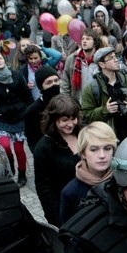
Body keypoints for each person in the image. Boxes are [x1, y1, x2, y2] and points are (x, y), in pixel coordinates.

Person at [0, 51, 33, 187]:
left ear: (4, 61)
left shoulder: (16, 75)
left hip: (19, 116)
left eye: (0, 58)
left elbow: (27, 95)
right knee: (5, 146)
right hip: (2, 119)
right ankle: (10, 166)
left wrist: (27, 111)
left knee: (19, 149)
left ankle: (22, 174)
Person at [33, 94, 81, 226]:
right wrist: (56, 219)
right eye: (65, 120)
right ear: (54, 119)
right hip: (67, 209)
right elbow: (44, 188)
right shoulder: (43, 148)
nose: (70, 124)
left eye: (73, 118)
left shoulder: (83, 133)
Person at [81, 47, 127, 141]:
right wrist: (105, 110)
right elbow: (86, 115)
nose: (116, 60)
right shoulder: (92, 88)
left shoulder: (125, 80)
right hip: (109, 138)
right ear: (102, 64)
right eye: (111, 58)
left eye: (115, 56)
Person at [59, 121, 117, 225]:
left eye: (107, 148)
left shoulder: (121, 181)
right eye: (94, 149)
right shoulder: (70, 192)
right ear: (83, 153)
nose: (102, 155)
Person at [23, 66, 61, 152]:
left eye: (56, 80)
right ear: (41, 86)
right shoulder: (32, 111)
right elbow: (32, 141)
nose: (54, 84)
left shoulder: (69, 102)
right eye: (49, 82)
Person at [60, 29, 102, 103]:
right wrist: (67, 102)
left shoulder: (101, 60)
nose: (84, 41)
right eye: (83, 39)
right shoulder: (72, 59)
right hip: (77, 103)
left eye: (88, 39)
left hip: (97, 103)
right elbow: (65, 83)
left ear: (95, 43)